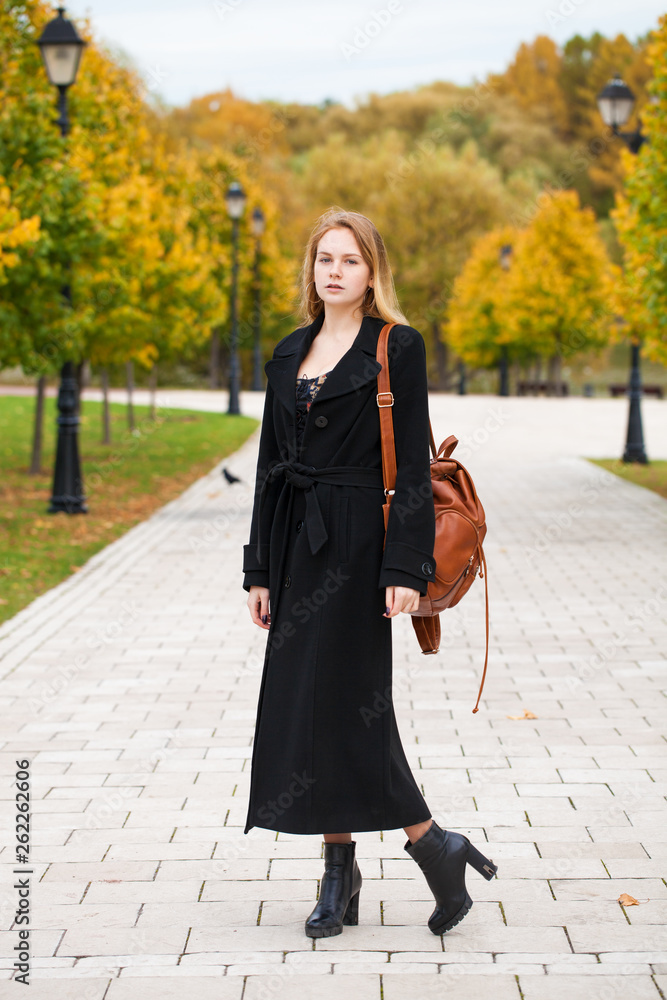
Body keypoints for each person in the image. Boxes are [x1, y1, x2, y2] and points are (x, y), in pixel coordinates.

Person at [242, 207, 497, 939]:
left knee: (352, 702)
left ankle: (419, 849)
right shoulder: (288, 352)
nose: (334, 271)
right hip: (296, 546)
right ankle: (361, 864)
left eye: (349, 260)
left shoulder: (397, 346)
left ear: (371, 272)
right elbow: (267, 469)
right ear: (311, 269)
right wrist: (258, 569)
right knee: (312, 706)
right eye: (324, 258)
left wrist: (405, 565)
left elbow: (412, 465)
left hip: (359, 546)